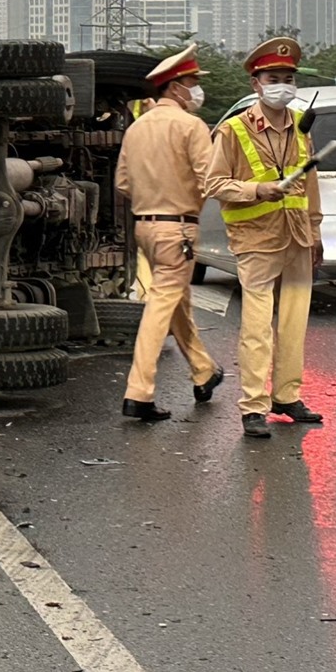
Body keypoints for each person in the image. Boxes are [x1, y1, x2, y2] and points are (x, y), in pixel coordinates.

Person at [206, 37, 325, 440]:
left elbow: (310, 183)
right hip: (256, 238)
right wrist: (257, 190)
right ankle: (253, 406)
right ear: (256, 84)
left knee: (294, 321)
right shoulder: (233, 130)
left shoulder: (301, 128)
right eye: (274, 78)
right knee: (257, 326)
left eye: (289, 78)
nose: (283, 85)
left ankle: (287, 396)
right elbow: (214, 183)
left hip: (296, 236)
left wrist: (316, 229)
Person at [115, 45, 225, 423]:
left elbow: (123, 182)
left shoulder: (136, 128)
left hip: (145, 226)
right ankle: (139, 392)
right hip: (178, 227)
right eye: (193, 83)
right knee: (161, 306)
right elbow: (209, 179)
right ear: (176, 88)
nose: (197, 90)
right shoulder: (191, 126)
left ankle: (203, 371)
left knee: (177, 301)